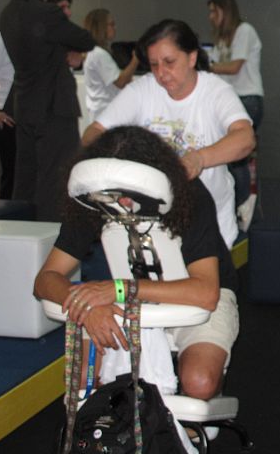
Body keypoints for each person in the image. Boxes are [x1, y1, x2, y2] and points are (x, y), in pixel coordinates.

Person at [33, 126, 239, 401]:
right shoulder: (97, 200)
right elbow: (45, 279)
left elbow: (205, 293)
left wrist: (120, 290)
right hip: (127, 295)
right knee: (81, 377)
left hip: (195, 297)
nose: (125, 201)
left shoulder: (189, 195)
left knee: (199, 382)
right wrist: (85, 308)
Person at [82, 19, 254, 249]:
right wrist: (117, 177)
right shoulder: (142, 90)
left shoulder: (216, 91)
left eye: (169, 62)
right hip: (153, 227)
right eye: (154, 65)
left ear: (192, 58)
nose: (161, 73)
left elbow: (245, 138)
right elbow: (94, 133)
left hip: (211, 226)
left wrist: (199, 158)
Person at [0, 0, 95, 221]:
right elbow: (85, 39)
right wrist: (66, 47)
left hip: (24, 102)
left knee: (26, 175)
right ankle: (53, 235)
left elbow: (38, 47)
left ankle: (21, 233)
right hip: (54, 106)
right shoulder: (47, 13)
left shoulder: (7, 12)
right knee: (57, 175)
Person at [207, 0, 264, 220]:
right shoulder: (222, 39)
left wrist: (208, 67)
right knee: (229, 159)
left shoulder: (245, 31)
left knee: (236, 155)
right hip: (231, 100)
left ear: (224, 10)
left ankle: (242, 206)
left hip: (248, 99)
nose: (211, 17)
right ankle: (234, 207)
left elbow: (234, 67)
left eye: (214, 11)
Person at [82, 9, 139, 121]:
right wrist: (136, 59)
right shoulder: (98, 53)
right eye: (111, 24)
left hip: (102, 112)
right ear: (101, 27)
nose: (115, 28)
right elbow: (121, 82)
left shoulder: (93, 51)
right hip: (105, 113)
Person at [0, 31, 16, 198]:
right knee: (10, 174)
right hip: (4, 115)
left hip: (23, 114)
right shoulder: (1, 39)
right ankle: (5, 219)